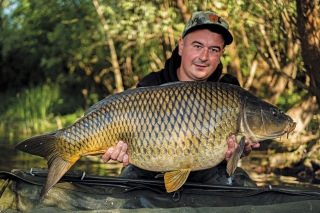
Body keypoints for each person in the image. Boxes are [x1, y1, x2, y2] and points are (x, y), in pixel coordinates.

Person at [102, 11, 259, 186]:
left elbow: (236, 149)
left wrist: (239, 151)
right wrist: (119, 151)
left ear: (222, 52)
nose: (204, 57)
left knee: (241, 185)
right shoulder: (152, 85)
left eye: (213, 49)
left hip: (208, 170)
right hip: (150, 168)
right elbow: (122, 133)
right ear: (181, 46)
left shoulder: (230, 90)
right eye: (197, 46)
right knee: (127, 181)